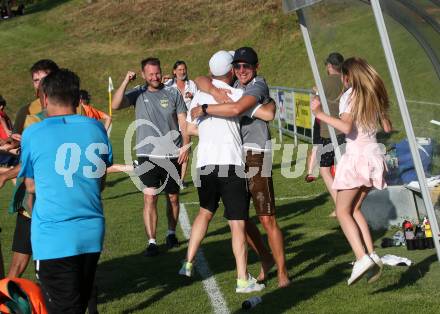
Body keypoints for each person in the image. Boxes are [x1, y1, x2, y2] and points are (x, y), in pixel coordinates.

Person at [192, 47, 289, 287]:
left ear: (256, 67)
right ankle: (266, 259)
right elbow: (200, 79)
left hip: (256, 154)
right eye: (238, 66)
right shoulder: (231, 83)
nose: (242, 70)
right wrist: (214, 90)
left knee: (266, 219)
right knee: (239, 219)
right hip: (233, 157)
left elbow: (249, 110)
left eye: (247, 66)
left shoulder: (257, 85)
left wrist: (205, 108)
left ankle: (283, 272)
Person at [18, 68, 113, 312]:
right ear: (76, 97)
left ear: (45, 98)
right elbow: (100, 183)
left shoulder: (34, 132)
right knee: (80, 303)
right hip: (91, 232)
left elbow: (31, 186)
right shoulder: (97, 129)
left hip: (53, 236)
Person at [311, 57, 392, 285]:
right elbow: (386, 126)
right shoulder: (372, 94)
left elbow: (346, 126)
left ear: (347, 77)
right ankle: (371, 253)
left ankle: (361, 258)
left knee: (342, 211)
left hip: (357, 158)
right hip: (374, 156)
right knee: (355, 208)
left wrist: (320, 114)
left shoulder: (350, 95)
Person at [112, 57, 189, 256]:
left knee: (173, 197)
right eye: (150, 74)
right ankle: (152, 241)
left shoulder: (173, 93)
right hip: (147, 154)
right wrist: (125, 82)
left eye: (157, 73)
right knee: (150, 197)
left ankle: (171, 233)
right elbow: (115, 104)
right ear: (144, 75)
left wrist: (186, 146)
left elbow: (183, 122)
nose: (155, 77)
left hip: (172, 153)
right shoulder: (138, 93)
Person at [2, 59, 59, 279]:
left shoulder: (69, 109)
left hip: (56, 196)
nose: (39, 85)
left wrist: (7, 174)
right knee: (18, 260)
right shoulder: (27, 110)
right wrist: (12, 144)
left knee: (54, 262)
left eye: (43, 79)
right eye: (35, 80)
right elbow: (18, 144)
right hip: (30, 197)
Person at [316, 52, 346, 217]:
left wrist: (317, 92)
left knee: (325, 169)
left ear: (329, 65)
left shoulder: (324, 82)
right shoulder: (347, 81)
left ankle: (339, 205)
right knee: (344, 169)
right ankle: (345, 205)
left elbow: (315, 106)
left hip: (328, 131)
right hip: (345, 130)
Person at [164, 61, 197, 189]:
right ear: (174, 71)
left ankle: (181, 180)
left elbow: (199, 100)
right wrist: (162, 81)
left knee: (185, 150)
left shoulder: (192, 84)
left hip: (187, 123)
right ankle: (168, 175)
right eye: (179, 70)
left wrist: (193, 96)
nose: (182, 72)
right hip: (171, 122)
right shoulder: (168, 84)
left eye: (184, 69)